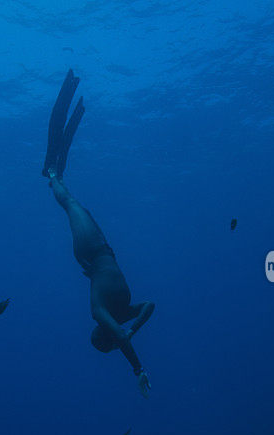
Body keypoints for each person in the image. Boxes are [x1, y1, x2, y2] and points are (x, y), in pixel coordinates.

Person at [42, 69, 155, 398]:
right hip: (100, 250)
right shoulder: (118, 316)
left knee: (72, 205)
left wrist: (136, 362)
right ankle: (55, 175)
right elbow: (150, 305)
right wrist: (132, 335)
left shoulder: (101, 312)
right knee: (77, 207)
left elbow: (129, 327)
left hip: (92, 251)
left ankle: (51, 174)